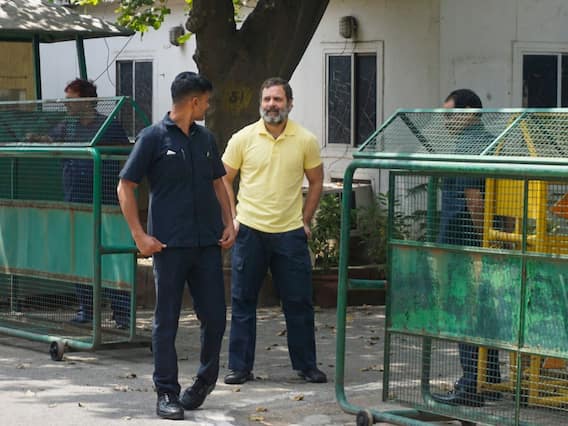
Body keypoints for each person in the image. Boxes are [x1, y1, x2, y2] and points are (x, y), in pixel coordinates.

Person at [117, 72, 235, 420]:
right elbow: (125, 186)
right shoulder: (152, 137)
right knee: (166, 320)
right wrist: (139, 236)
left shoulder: (206, 138)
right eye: (206, 101)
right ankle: (166, 392)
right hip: (168, 246)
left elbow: (218, 182)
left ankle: (203, 383)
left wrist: (229, 221)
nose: (208, 107)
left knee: (215, 317)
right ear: (194, 101)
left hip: (207, 244)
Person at [222, 77, 327, 386]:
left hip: (290, 233)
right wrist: (233, 217)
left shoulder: (306, 140)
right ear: (261, 103)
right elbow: (223, 178)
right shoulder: (242, 138)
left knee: (299, 303)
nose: (271, 105)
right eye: (267, 99)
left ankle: (306, 366)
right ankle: (240, 367)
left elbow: (316, 181)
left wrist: (306, 219)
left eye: (277, 99)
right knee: (243, 301)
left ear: (289, 104)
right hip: (249, 231)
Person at [432, 89, 501, 407]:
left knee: (466, 313)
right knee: (486, 313)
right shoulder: (491, 141)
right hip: (483, 243)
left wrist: (482, 240)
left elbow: (474, 200)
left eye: (451, 114)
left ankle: (472, 384)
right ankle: (490, 381)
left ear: (470, 112)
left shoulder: (468, 146)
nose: (446, 121)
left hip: (465, 243)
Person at [47, 78, 131, 329]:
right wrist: (38, 138)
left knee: (110, 257)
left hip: (105, 203)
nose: (66, 105)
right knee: (80, 255)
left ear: (87, 101)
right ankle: (87, 310)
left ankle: (122, 314)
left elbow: (126, 157)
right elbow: (50, 140)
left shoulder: (109, 125)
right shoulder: (67, 126)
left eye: (71, 100)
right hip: (75, 203)